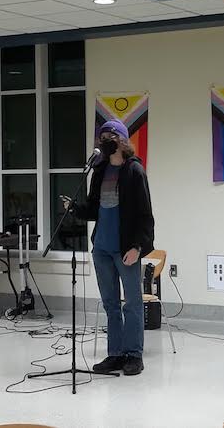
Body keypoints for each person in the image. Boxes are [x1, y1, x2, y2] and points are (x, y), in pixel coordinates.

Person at [68, 119, 154, 376]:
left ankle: (133, 355)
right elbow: (95, 208)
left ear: (122, 140)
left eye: (110, 137)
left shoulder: (134, 171)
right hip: (102, 248)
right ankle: (115, 354)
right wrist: (74, 209)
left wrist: (138, 247)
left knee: (132, 304)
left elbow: (144, 215)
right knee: (110, 304)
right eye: (101, 137)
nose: (104, 141)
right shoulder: (100, 171)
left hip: (126, 248)